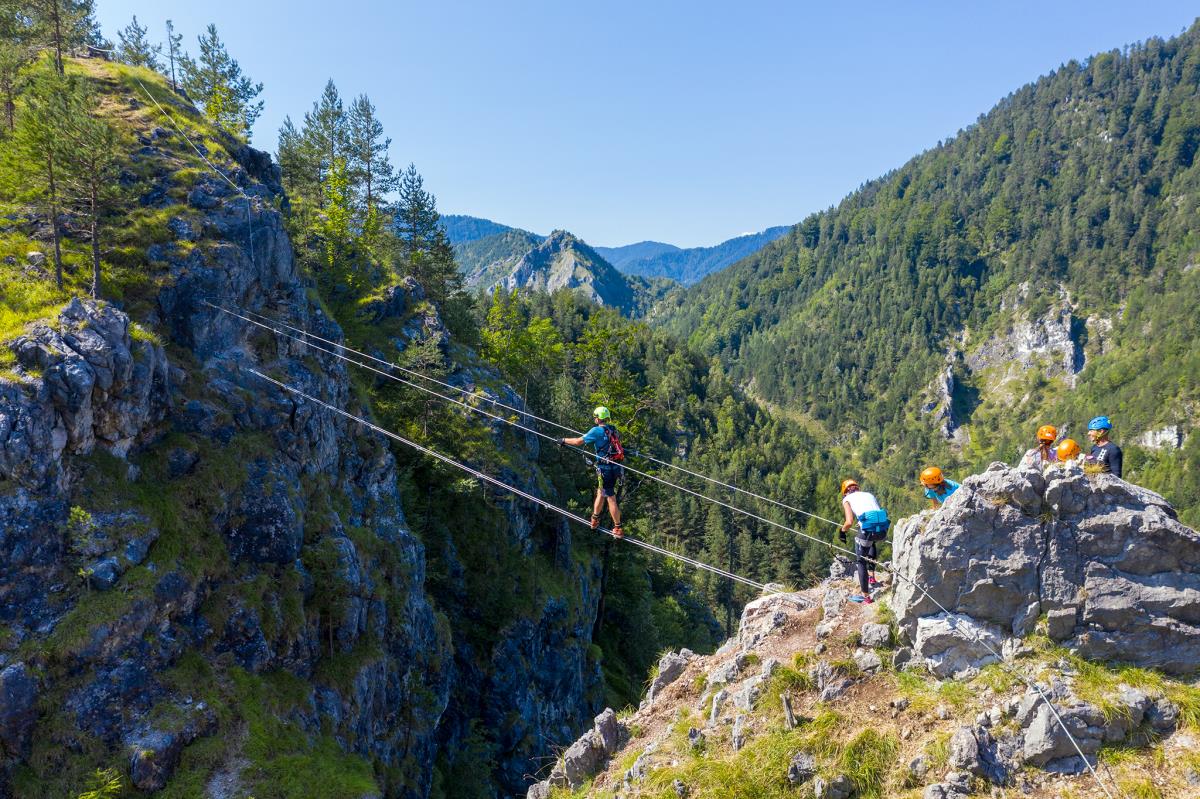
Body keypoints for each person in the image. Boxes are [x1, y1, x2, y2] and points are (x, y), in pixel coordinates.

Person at [560, 406, 624, 538]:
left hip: (606, 469)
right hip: (616, 467)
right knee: (601, 492)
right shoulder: (612, 429)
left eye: (595, 416)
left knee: (610, 498)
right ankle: (595, 519)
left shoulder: (596, 431)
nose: (594, 418)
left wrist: (563, 440)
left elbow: (578, 441)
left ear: (598, 418)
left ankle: (618, 528)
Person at [838, 479, 890, 604]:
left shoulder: (846, 500)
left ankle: (866, 597)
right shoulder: (869, 494)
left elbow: (849, 521)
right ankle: (872, 578)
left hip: (868, 532)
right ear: (858, 488)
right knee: (871, 542)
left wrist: (842, 532)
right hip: (882, 531)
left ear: (845, 492)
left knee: (861, 561)